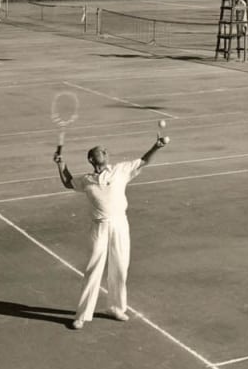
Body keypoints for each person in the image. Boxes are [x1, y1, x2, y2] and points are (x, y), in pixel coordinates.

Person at [54, 129, 171, 330]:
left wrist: (156, 146)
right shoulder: (87, 179)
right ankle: (82, 315)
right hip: (99, 226)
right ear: (91, 158)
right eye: (101, 151)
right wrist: (60, 164)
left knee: (120, 267)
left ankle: (116, 308)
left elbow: (143, 161)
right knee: (94, 268)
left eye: (106, 151)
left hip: (120, 225)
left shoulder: (121, 170)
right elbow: (68, 182)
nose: (106, 152)